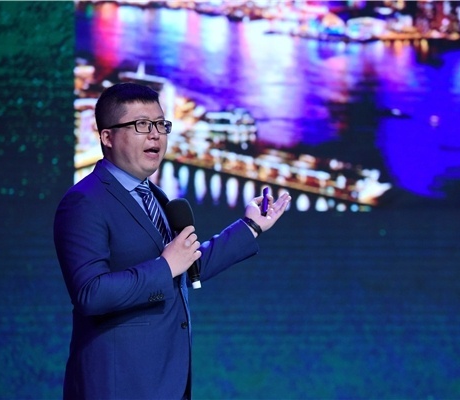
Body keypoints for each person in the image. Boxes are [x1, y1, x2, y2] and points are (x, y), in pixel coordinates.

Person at [53, 82, 291, 399]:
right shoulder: (85, 201)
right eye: (141, 125)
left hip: (167, 382)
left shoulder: (155, 196)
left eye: (160, 124)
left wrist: (250, 226)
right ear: (107, 137)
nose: (155, 135)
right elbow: (90, 293)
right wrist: (165, 267)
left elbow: (185, 266)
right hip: (119, 386)